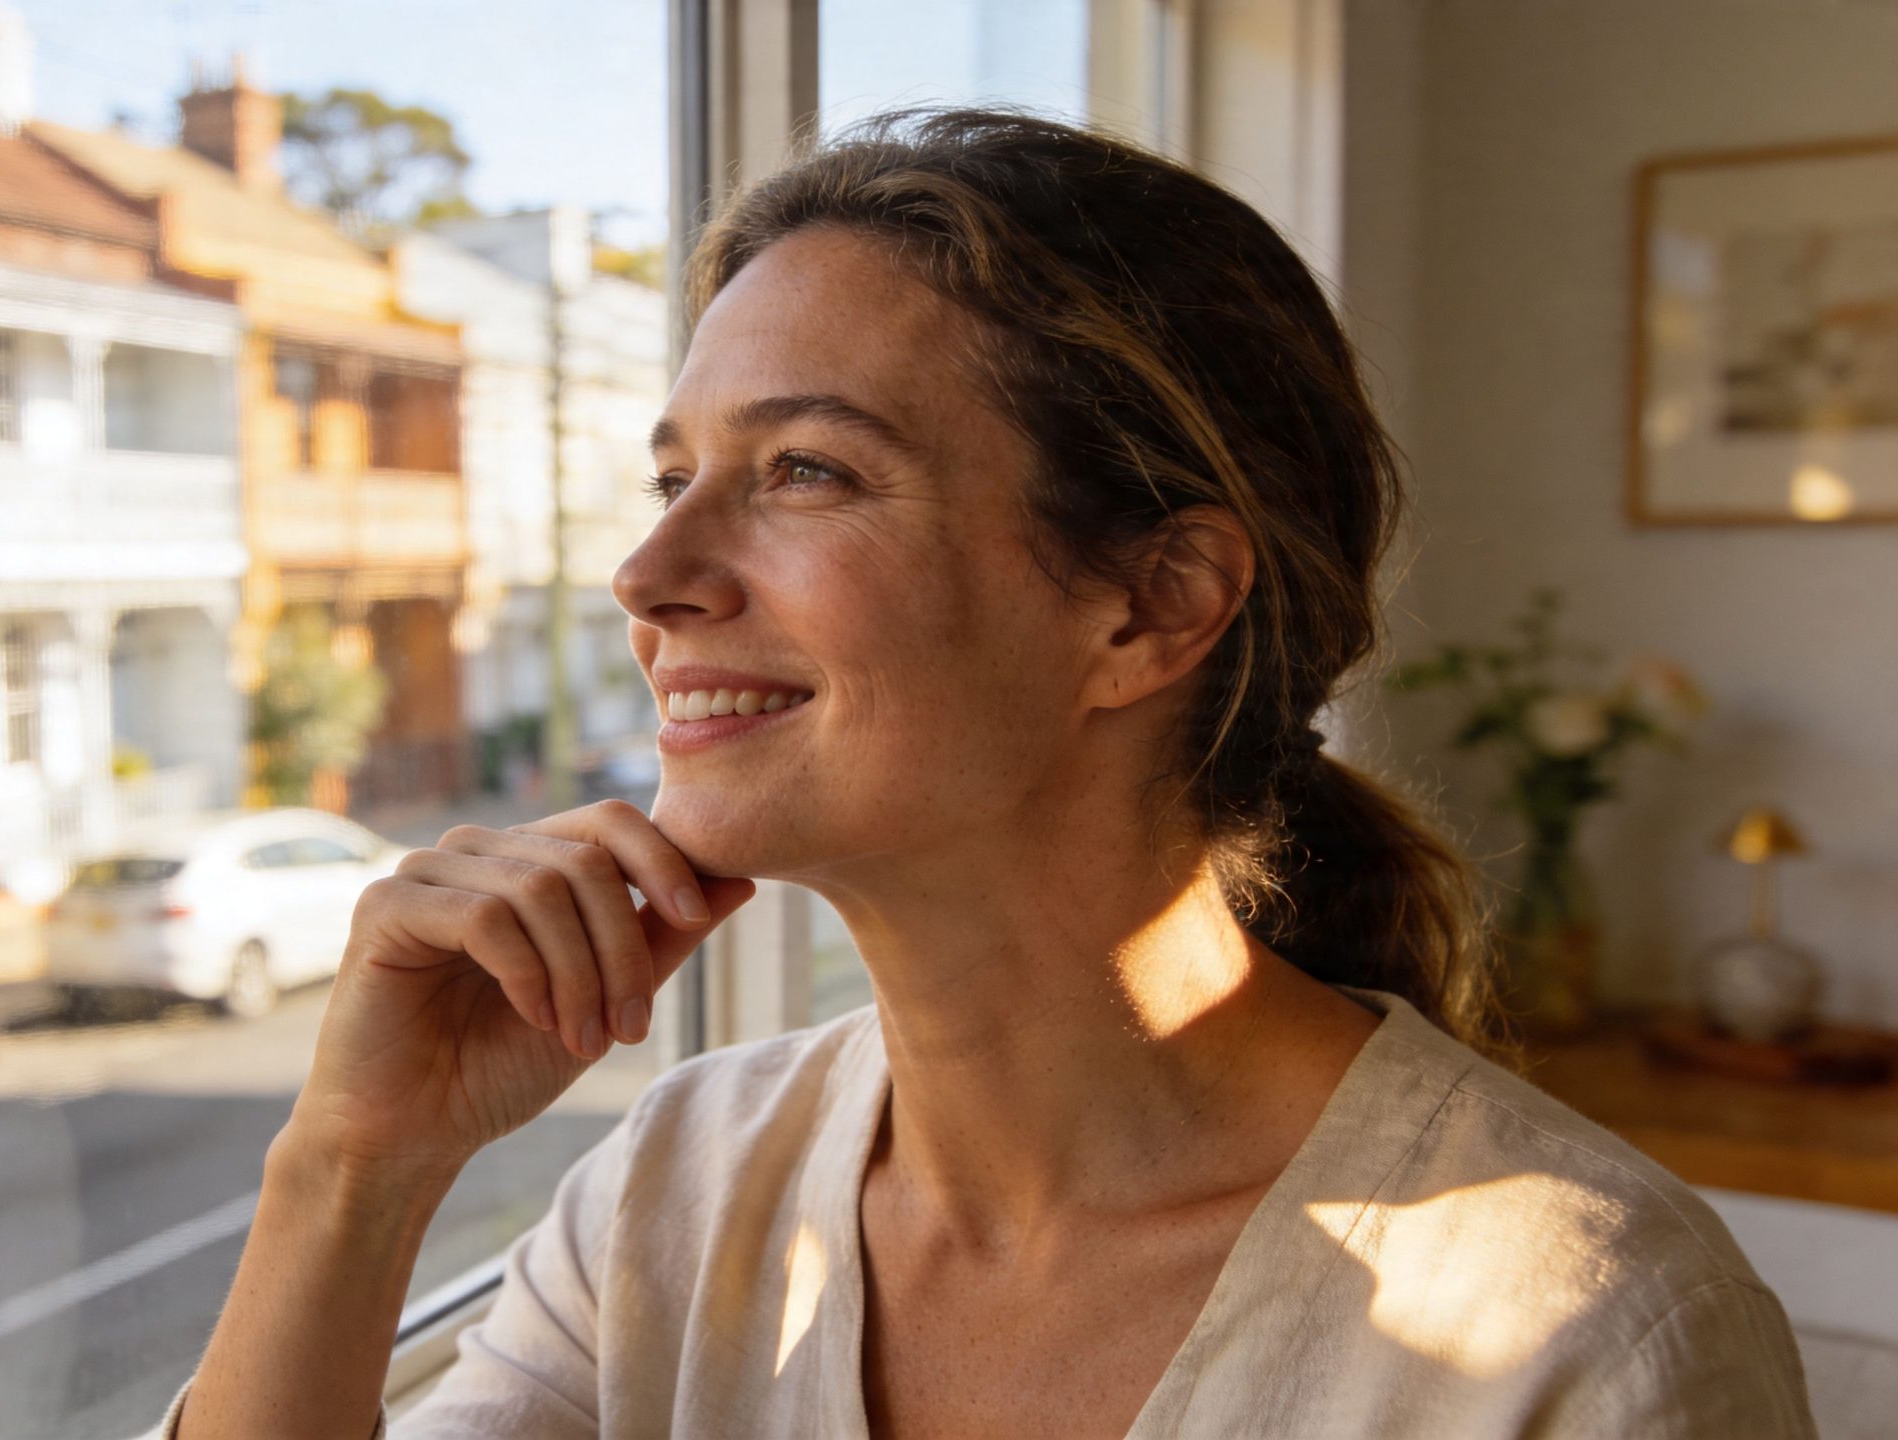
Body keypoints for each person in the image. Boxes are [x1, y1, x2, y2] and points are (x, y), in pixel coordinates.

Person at [162, 109, 1813, 1439]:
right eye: (675, 474)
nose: (650, 571)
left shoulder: (1582, 1336)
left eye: (804, 470)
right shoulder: (678, 1191)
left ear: (1150, 607)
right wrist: (354, 1171)